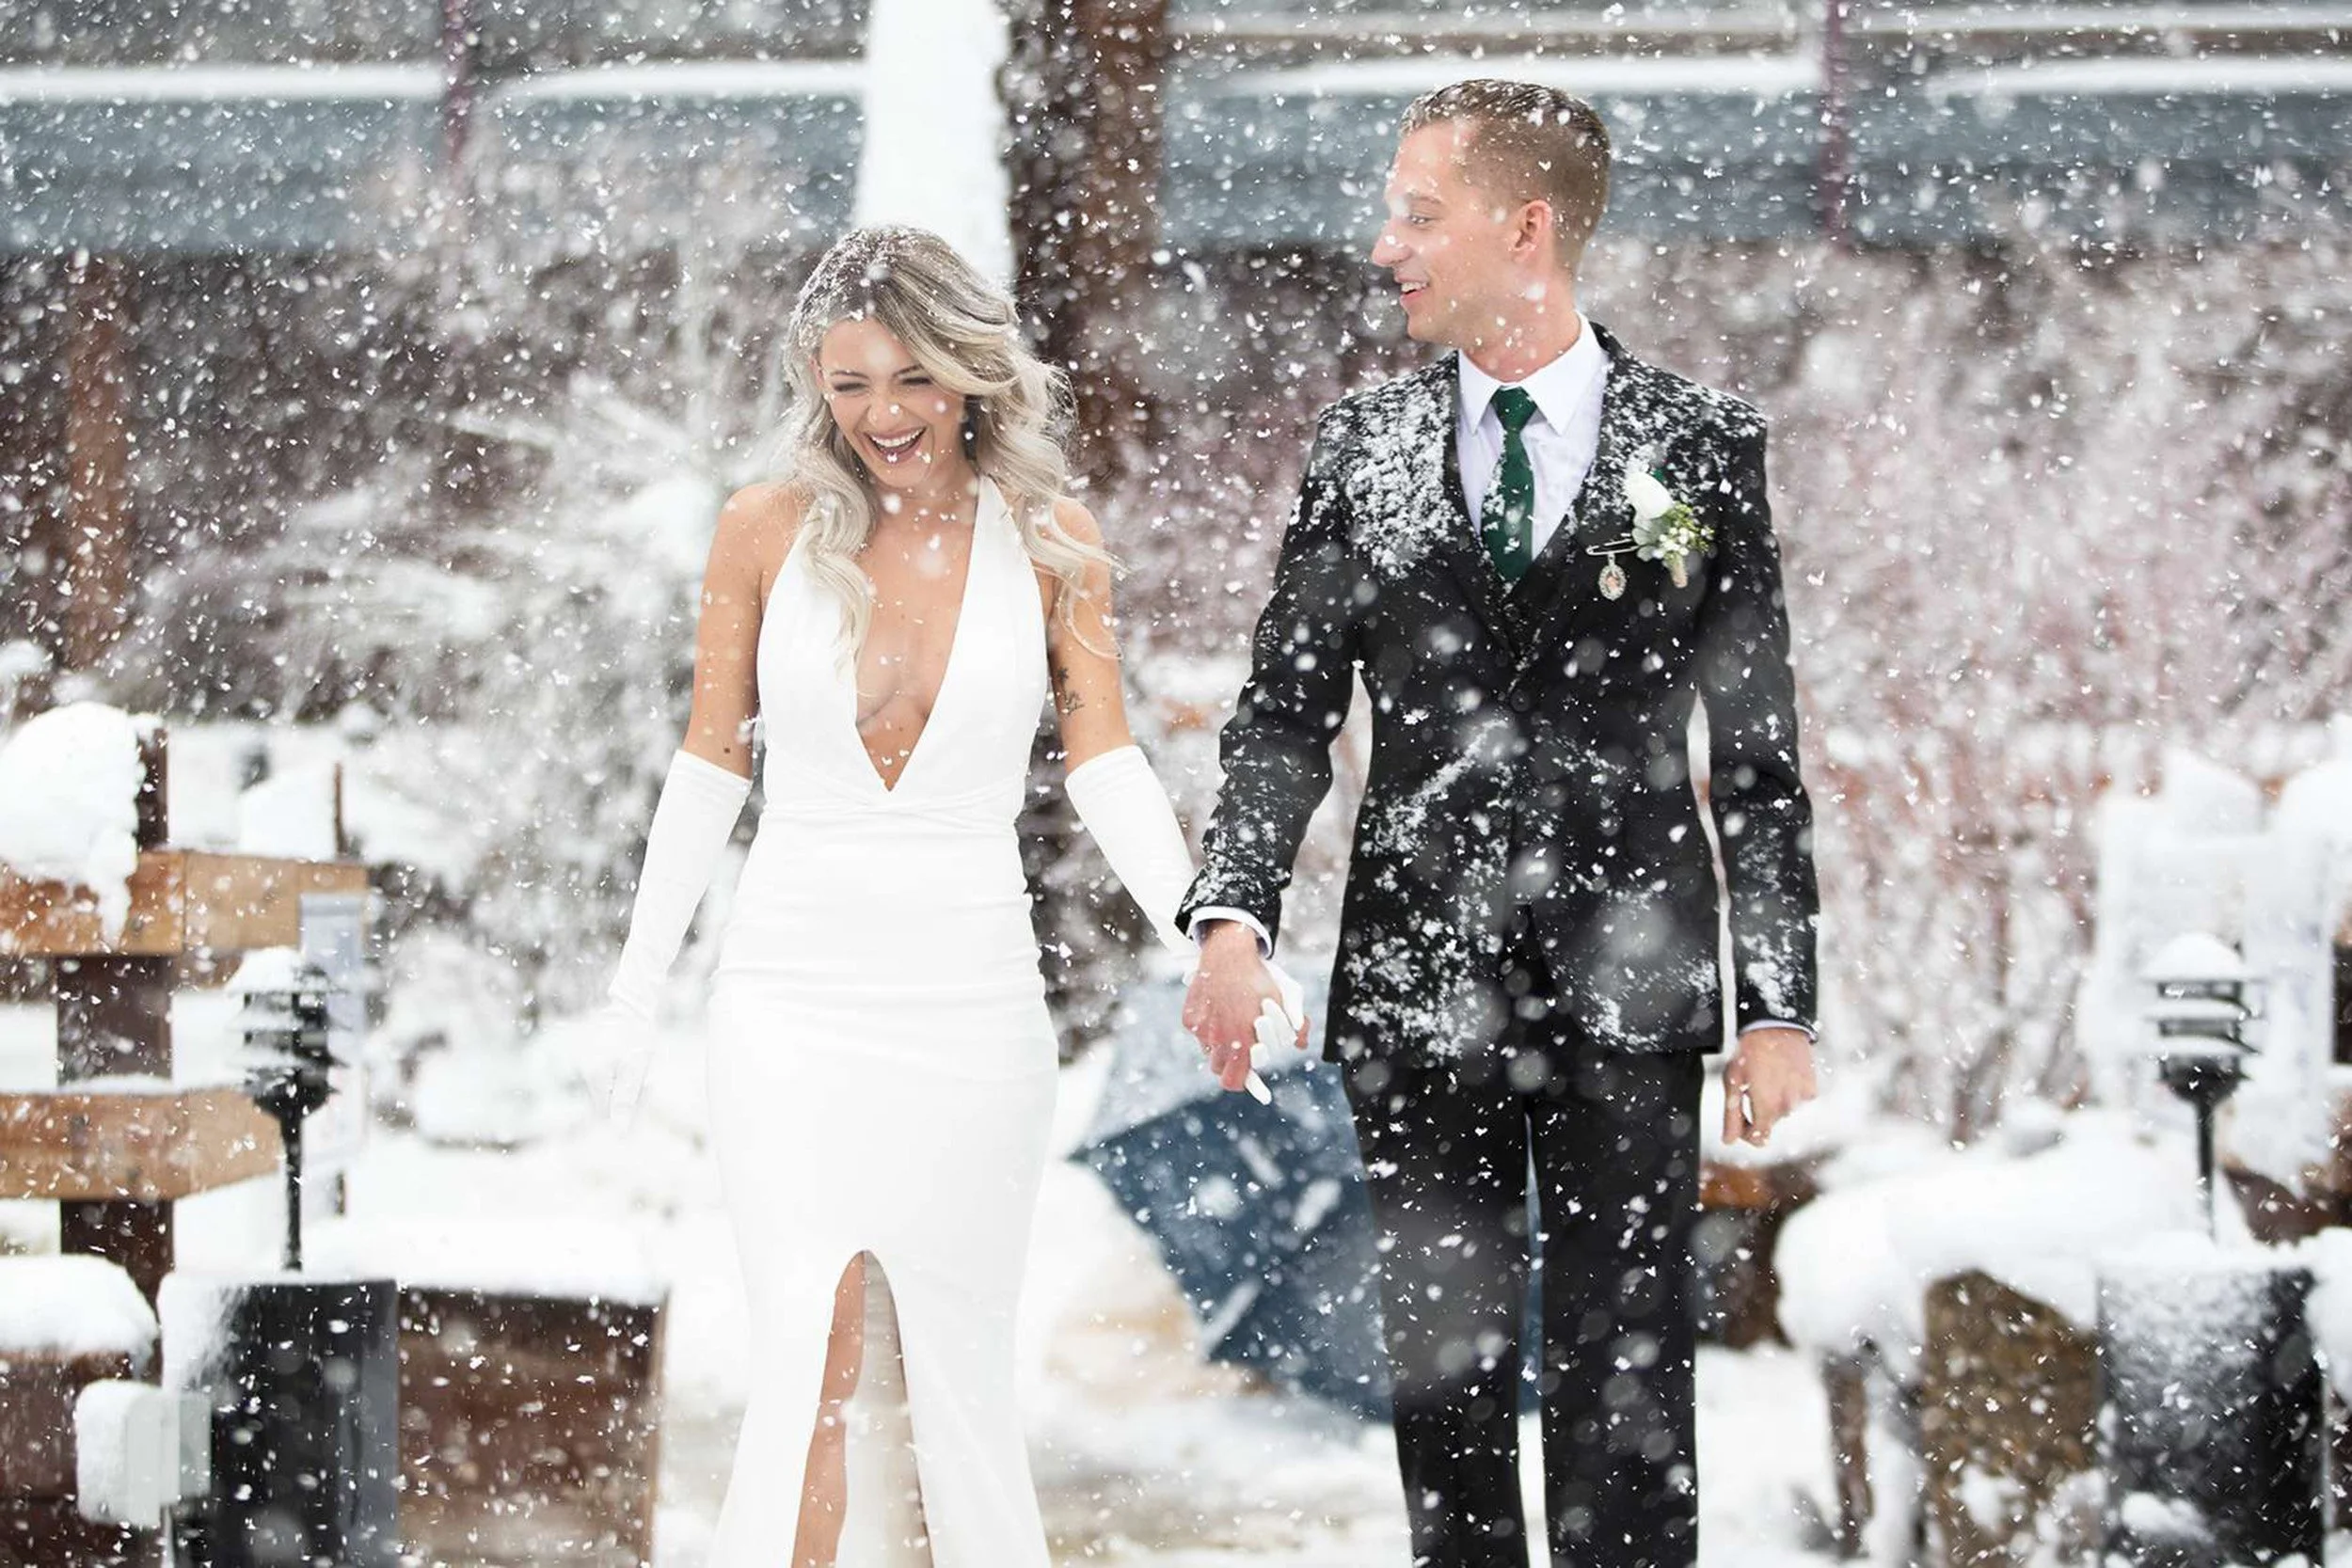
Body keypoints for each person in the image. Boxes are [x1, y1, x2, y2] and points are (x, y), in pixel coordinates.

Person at [1178, 81, 1823, 1568]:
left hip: (1633, 983)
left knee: (1630, 1388)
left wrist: (1778, 1003)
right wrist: (1233, 911)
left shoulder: (1702, 449)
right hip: (1419, 987)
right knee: (1445, 1391)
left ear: (1526, 228)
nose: (1387, 242)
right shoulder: (1360, 452)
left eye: (1420, 211)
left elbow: (1764, 758)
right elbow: (1287, 712)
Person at [591, 225, 1301, 1567]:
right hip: (788, 999)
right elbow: (706, 764)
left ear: (973, 374)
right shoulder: (762, 529)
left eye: (913, 379)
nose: (883, 416)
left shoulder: (1051, 542)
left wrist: (1214, 932)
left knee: (957, 1388)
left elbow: (1107, 767)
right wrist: (637, 986)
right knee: (807, 1347)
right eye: (849, 382)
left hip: (973, 1007)